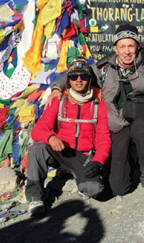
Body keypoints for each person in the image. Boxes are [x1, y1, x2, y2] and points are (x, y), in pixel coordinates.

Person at [47, 24, 144, 206]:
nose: (127, 51)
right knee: (119, 187)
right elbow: (75, 74)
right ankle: (133, 162)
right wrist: (57, 88)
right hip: (117, 130)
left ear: (137, 47)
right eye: (122, 46)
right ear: (115, 49)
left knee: (141, 127)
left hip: (141, 124)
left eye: (131, 46)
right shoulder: (103, 70)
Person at [26, 57, 111, 217]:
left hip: (82, 156)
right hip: (60, 151)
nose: (79, 80)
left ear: (89, 79)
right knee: (38, 149)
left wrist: (98, 161)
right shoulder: (58, 102)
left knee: (95, 190)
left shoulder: (99, 106)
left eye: (83, 76)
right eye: (74, 76)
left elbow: (103, 139)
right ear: (68, 80)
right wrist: (51, 137)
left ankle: (75, 179)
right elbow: (37, 130)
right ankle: (35, 198)